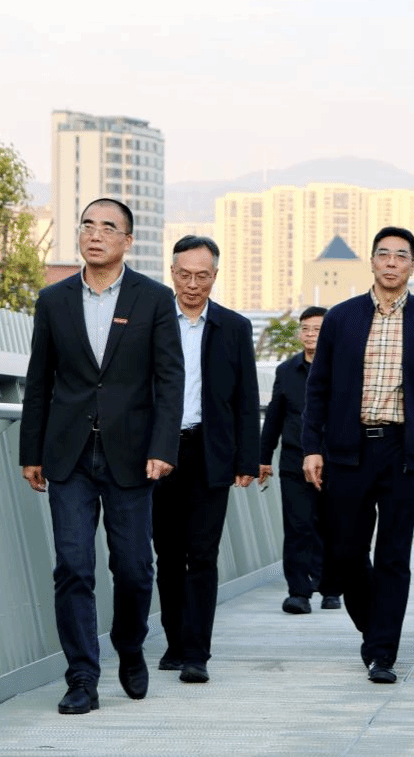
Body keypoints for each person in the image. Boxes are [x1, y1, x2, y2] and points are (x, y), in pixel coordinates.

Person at [20, 198, 184, 715]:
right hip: (67, 455)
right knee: (72, 566)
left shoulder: (154, 298)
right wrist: (31, 451)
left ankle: (130, 645)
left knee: (134, 568)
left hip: (132, 455)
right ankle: (82, 678)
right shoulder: (54, 300)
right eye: (87, 225)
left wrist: (163, 446)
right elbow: (39, 380)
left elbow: (170, 379)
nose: (95, 234)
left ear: (127, 241)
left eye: (108, 227)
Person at [302, 226, 414, 685]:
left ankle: (383, 651)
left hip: (402, 450)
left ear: (413, 265)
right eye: (383, 254)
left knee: (393, 555)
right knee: (345, 553)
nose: (391, 262)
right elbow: (318, 388)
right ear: (371, 261)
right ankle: (375, 628)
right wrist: (312, 447)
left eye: (401, 255)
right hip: (347, 449)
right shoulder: (342, 317)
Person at [154, 235, 261, 684]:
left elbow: (246, 397)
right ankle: (175, 642)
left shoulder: (233, 327)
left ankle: (197, 652)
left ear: (215, 276)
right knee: (166, 553)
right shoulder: (154, 321)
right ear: (172, 273)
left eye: (202, 276)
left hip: (210, 451)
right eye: (185, 275)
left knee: (202, 553)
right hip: (160, 452)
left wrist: (247, 459)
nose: (193, 284)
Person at [259, 306, 342, 614]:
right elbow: (274, 417)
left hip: (335, 462)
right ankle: (298, 593)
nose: (310, 334)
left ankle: (331, 588)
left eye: (317, 329)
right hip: (294, 461)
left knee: (332, 527)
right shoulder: (286, 370)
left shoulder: (343, 369)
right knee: (298, 527)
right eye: (305, 328)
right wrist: (263, 457)